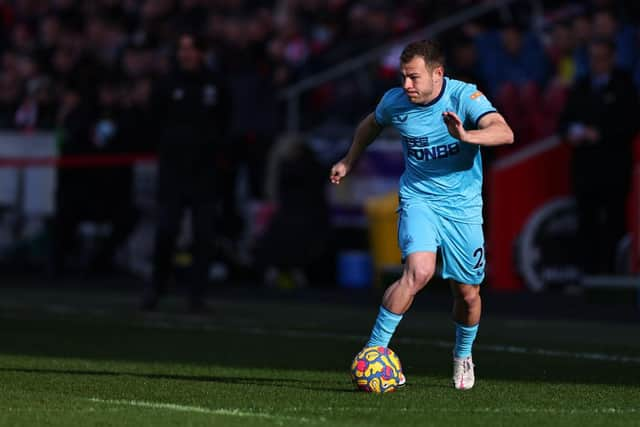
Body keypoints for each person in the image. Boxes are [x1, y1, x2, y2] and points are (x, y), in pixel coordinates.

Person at [330, 40, 514, 390]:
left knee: (468, 294)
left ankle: (463, 355)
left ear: (437, 74)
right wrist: (348, 159)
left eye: (413, 77)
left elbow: (505, 132)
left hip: (462, 208)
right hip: (420, 199)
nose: (406, 85)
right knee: (418, 272)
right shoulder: (395, 102)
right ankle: (373, 352)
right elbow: (370, 125)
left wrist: (466, 135)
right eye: (403, 77)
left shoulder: (464, 97)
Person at [141, 33, 230, 312]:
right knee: (166, 231)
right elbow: (153, 120)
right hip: (173, 171)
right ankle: (157, 287)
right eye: (182, 48)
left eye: (191, 48)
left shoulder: (216, 84)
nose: (186, 54)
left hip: (205, 172)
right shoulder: (167, 83)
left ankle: (197, 295)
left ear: (202, 52)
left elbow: (226, 121)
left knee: (203, 235)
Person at [559, 38, 639, 276]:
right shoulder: (581, 85)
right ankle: (588, 277)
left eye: (602, 57)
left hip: (613, 166)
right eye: (593, 58)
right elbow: (563, 122)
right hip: (585, 167)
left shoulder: (624, 85)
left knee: (615, 222)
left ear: (612, 58)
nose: (597, 63)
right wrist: (572, 132)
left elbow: (632, 123)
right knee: (587, 223)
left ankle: (616, 276)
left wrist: (601, 134)